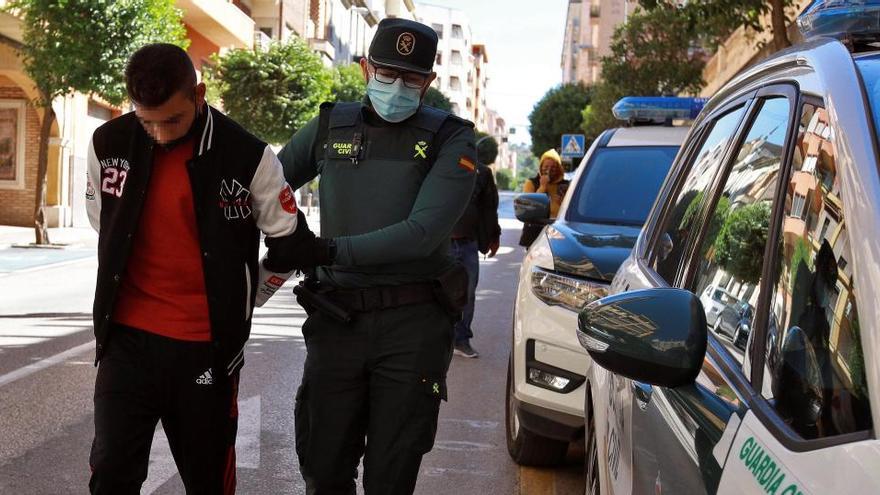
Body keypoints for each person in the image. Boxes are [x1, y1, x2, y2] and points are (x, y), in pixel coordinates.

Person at [84, 43, 307, 494]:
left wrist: (248, 296)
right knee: (110, 474)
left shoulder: (247, 156)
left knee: (208, 482)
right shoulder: (109, 142)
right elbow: (103, 223)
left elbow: (290, 243)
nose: (160, 134)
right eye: (147, 121)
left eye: (173, 120)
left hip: (205, 350)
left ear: (199, 94)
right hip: (125, 343)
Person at [275, 18, 476, 494]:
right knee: (323, 470)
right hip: (336, 320)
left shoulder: (453, 138)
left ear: (428, 82)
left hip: (412, 326)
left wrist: (324, 249)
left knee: (391, 475)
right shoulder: (330, 124)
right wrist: (278, 237)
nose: (398, 86)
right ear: (365, 68)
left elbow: (422, 233)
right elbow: (271, 184)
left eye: (411, 78)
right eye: (387, 72)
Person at [449, 163, 501, 358]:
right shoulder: (438, 160)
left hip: (468, 244)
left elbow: (489, 207)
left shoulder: (481, 171)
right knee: (434, 293)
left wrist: (494, 236)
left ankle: (461, 340)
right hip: (439, 244)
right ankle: (437, 340)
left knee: (467, 294)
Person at [519, 149, 568, 247]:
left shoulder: (565, 186)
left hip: (559, 232)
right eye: (546, 166)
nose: (549, 170)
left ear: (559, 169)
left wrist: (564, 203)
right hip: (536, 232)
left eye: (553, 167)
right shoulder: (532, 183)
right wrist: (542, 187)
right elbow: (530, 207)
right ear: (541, 168)